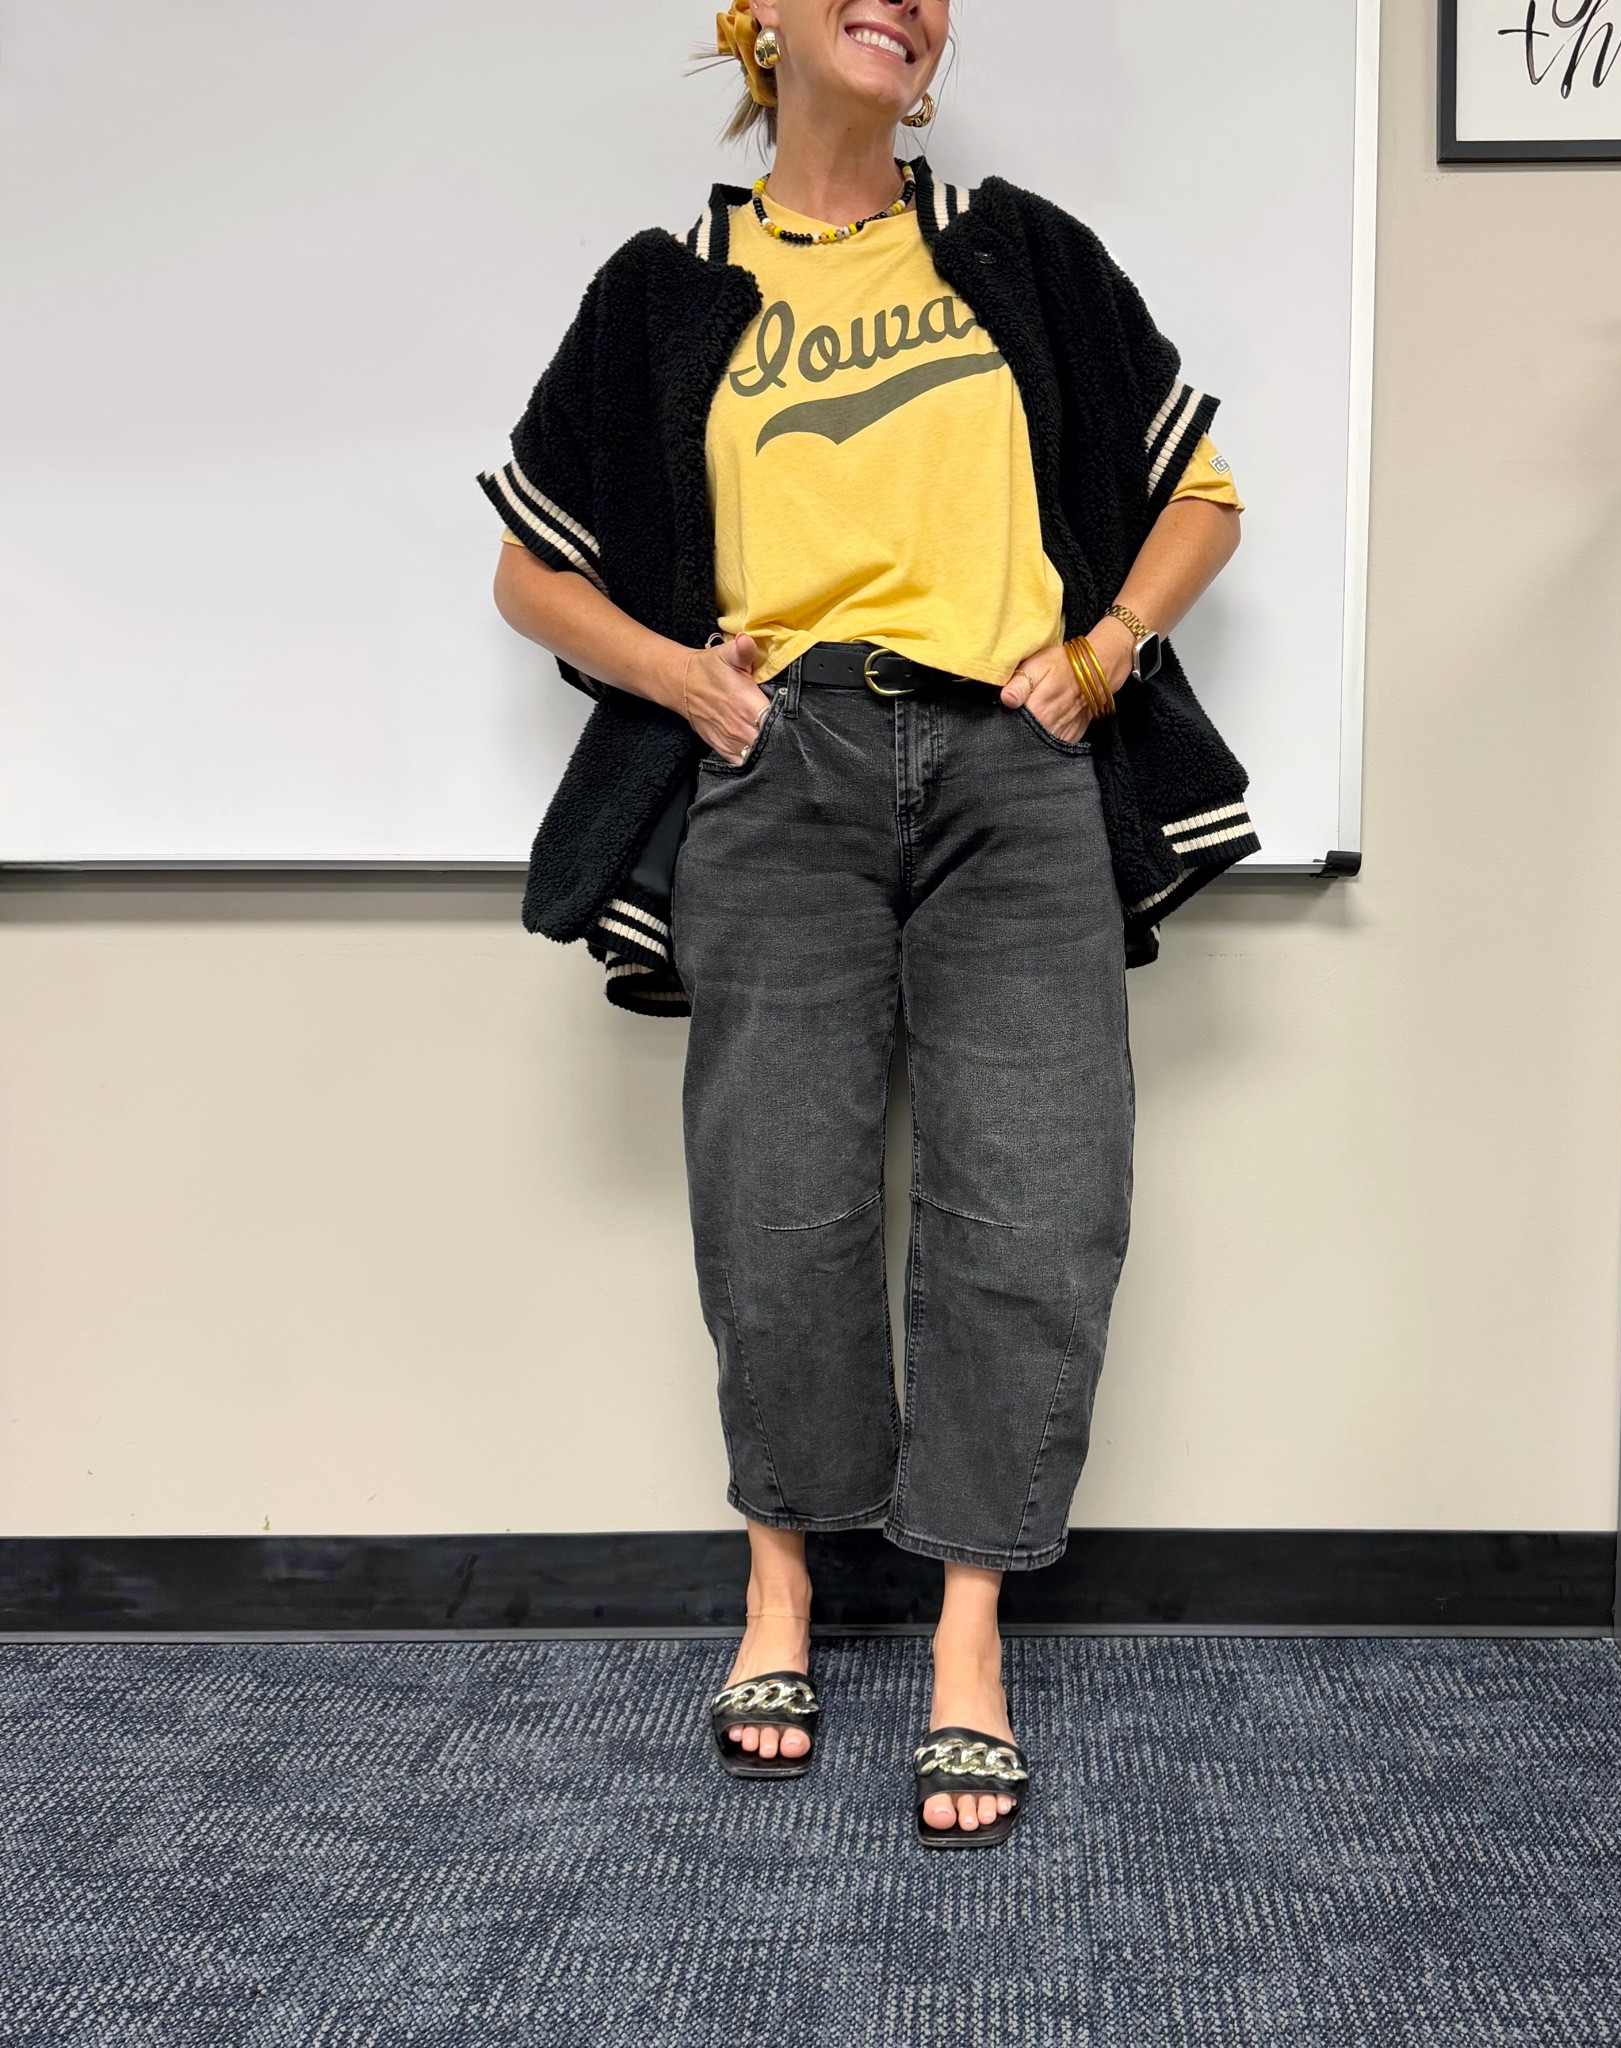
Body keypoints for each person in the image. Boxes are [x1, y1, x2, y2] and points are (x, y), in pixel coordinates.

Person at [481, 0, 1251, 1849]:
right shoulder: (667, 286)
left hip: (1014, 767)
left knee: (1038, 1199)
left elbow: (1202, 501)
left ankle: (969, 1632)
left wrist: (1107, 648)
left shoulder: (1016, 252)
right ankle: (783, 1593)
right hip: (784, 765)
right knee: (779, 1195)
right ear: (757, 21)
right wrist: (682, 677)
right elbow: (527, 570)